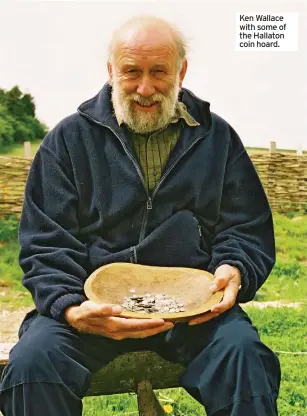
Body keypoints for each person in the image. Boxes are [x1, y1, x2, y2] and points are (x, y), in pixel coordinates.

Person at [0, 15, 280, 416]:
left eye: (159, 72)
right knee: (33, 366)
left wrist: (235, 268)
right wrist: (72, 308)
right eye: (132, 72)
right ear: (111, 71)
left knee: (245, 359)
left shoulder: (218, 139)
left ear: (181, 71)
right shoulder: (67, 141)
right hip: (92, 309)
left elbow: (245, 228)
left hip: (193, 315)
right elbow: (45, 242)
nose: (145, 88)